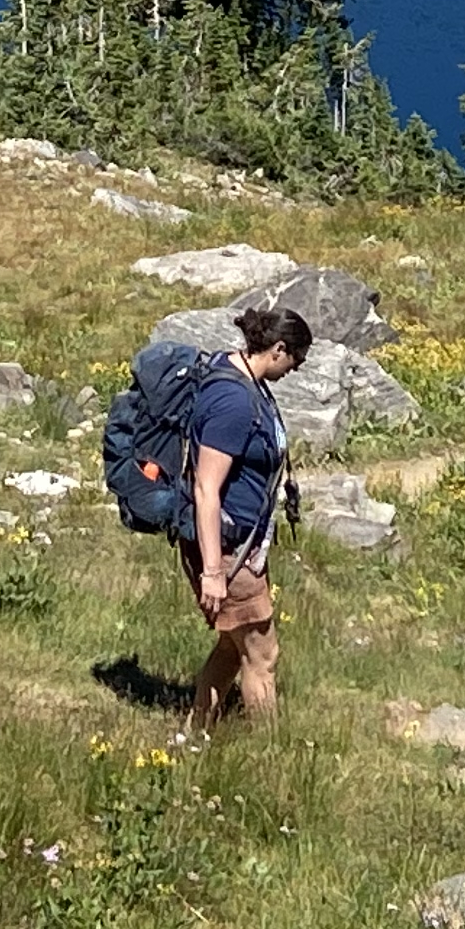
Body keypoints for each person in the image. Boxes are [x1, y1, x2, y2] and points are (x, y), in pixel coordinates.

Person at [182, 300, 308, 727]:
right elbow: (206, 488)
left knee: (234, 646)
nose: (296, 368)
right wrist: (213, 572)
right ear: (276, 349)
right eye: (296, 359)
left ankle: (196, 733)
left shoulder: (245, 381)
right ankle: (272, 754)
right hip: (229, 547)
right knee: (263, 653)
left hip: (243, 544)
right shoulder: (233, 401)